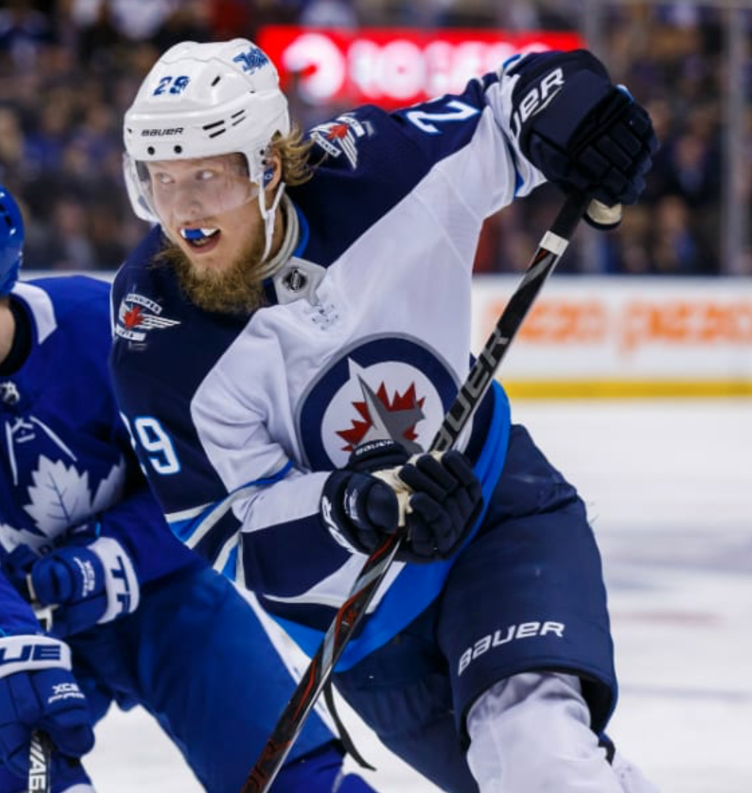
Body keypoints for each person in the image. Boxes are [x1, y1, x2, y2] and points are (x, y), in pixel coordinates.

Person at [110, 38, 661, 792]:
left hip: (496, 511)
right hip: (363, 624)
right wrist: (350, 507)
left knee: (538, 756)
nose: (182, 211)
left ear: (267, 164)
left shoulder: (381, 172)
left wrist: (577, 115)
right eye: (161, 181)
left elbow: (515, 100)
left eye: (206, 175)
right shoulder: (156, 330)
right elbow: (221, 526)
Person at [0, 170, 378, 793]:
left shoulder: (102, 331)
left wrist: (114, 556)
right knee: (14, 779)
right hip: (9, 611)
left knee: (300, 783)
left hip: (163, 590)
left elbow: (198, 482)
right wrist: (1, 640)